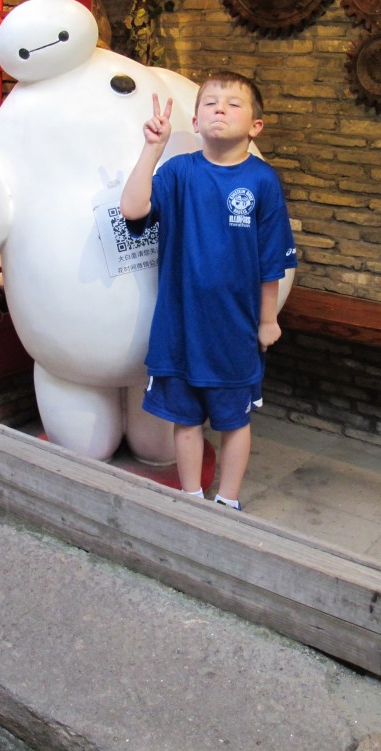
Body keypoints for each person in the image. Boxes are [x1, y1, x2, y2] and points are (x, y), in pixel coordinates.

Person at [120, 71, 297, 511]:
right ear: (196, 121)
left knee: (235, 420)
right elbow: (133, 210)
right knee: (185, 420)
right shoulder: (179, 172)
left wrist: (268, 319)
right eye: (211, 103)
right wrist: (152, 148)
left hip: (235, 331)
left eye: (234, 104)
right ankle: (192, 499)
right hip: (179, 327)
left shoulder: (262, 181)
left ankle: (227, 502)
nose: (221, 109)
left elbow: (272, 260)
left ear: (256, 126)